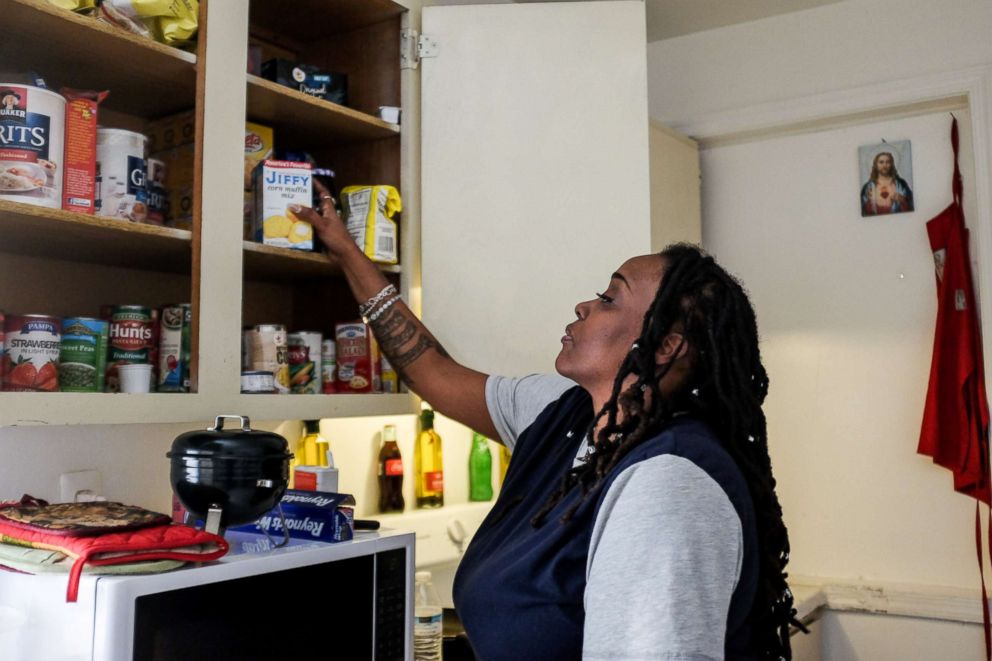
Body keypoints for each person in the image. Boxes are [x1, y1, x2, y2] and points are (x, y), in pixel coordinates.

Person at [291, 187, 799, 660]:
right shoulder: (562, 414)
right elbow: (432, 371)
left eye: (609, 298)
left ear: (667, 345)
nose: (584, 304)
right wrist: (345, 251)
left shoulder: (667, 485)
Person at [861, 151, 914, 215]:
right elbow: (863, 211)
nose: (885, 165)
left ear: (891, 164)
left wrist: (902, 199)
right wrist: (870, 202)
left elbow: (912, 205)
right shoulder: (868, 187)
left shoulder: (901, 184)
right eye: (881, 162)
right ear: (876, 165)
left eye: (888, 162)